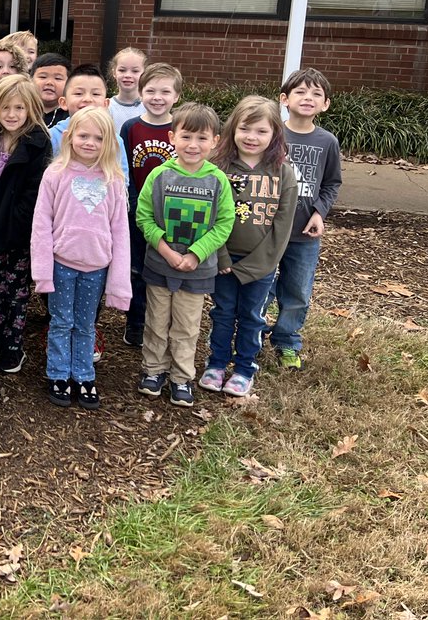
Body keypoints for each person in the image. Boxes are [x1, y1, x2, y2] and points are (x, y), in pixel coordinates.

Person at [135, 102, 233, 407]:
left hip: (197, 271)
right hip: (160, 266)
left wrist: (196, 254)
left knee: (187, 326)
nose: (193, 145)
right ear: (171, 137)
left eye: (202, 138)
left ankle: (181, 377)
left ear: (215, 141)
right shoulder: (160, 175)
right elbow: (143, 216)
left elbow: (224, 223)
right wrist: (164, 249)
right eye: (187, 136)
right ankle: (153, 371)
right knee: (156, 321)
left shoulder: (218, 180)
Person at [32, 107, 130, 408]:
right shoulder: (55, 174)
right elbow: (41, 224)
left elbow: (121, 232)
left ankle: (84, 375)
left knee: (86, 325)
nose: (90, 142)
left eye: (99, 138)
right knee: (61, 321)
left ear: (109, 143)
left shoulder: (113, 179)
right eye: (83, 135)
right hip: (62, 263)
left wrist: (119, 284)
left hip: (96, 267)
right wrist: (42, 271)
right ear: (70, 136)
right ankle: (59, 374)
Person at [200, 96, 298, 398]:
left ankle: (244, 368)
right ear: (232, 130)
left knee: (252, 316)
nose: (252, 137)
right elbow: (210, 214)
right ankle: (216, 364)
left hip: (261, 263)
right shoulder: (218, 167)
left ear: (274, 135)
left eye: (261, 131)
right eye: (245, 129)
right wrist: (222, 256)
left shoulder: (283, 172)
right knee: (223, 311)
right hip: (222, 257)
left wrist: (259, 265)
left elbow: (283, 226)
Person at [0, 75, 51, 373]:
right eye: (5, 108)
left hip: (16, 235)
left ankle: (12, 346)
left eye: (19, 108)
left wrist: (14, 230)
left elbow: (33, 196)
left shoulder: (38, 146)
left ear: (31, 109)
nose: (12, 115)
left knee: (13, 292)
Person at [47, 62, 128, 365]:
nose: (87, 98)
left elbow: (122, 186)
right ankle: (57, 337)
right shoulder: (54, 136)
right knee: (59, 299)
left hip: (96, 240)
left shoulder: (114, 140)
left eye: (95, 93)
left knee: (87, 300)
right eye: (79, 92)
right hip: (63, 239)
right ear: (64, 101)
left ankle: (86, 335)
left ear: (106, 103)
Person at [268, 68, 342, 370]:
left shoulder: (327, 142)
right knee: (260, 287)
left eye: (316, 94)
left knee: (297, 290)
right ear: (284, 98)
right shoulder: (270, 135)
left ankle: (287, 341)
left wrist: (319, 212)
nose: (307, 98)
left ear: (326, 104)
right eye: (300, 91)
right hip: (268, 230)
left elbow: (331, 183)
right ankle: (251, 334)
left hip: (304, 233)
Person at [119, 62, 183, 348]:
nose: (158, 97)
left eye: (165, 91)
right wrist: (131, 203)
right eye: (151, 90)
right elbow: (123, 168)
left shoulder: (180, 128)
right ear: (140, 92)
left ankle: (165, 324)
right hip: (136, 211)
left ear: (177, 96)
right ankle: (135, 324)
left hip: (173, 212)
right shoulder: (131, 127)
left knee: (166, 267)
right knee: (137, 268)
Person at [108, 46, 147, 134]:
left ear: (144, 73)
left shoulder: (149, 106)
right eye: (122, 70)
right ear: (114, 72)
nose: (128, 75)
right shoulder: (107, 107)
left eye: (135, 71)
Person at [30, 53, 70, 127]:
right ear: (31, 80)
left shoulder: (71, 115)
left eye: (58, 78)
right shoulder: (22, 110)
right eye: (43, 77)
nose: (49, 83)